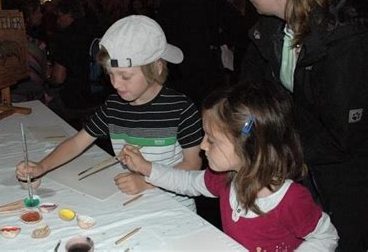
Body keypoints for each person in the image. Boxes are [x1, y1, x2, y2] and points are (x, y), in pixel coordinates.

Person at [120, 81, 339, 251]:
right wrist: (148, 168)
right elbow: (187, 181)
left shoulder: (289, 199)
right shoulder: (226, 178)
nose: (203, 145)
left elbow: (326, 236)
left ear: (248, 146)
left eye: (211, 140)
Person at [16, 15, 203, 210]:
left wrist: (147, 182)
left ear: (156, 68)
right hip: (130, 202)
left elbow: (192, 166)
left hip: (174, 206)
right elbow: (77, 142)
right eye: (110, 74)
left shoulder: (181, 109)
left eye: (125, 76)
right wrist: (41, 167)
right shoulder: (114, 106)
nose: (115, 83)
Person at [240, 0, 368, 250]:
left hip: (347, 173)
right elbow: (251, 97)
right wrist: (243, 133)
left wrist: (280, 153)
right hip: (305, 159)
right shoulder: (271, 30)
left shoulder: (346, 38)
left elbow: (345, 135)